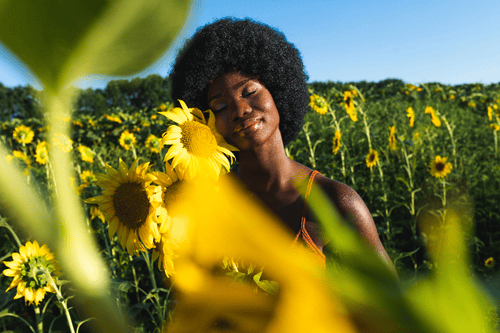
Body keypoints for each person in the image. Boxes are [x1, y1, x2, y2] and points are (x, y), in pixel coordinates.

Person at [169, 17, 395, 273]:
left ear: (278, 89)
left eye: (250, 91)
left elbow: (392, 305)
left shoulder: (335, 202)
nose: (240, 110)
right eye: (220, 106)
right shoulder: (211, 200)